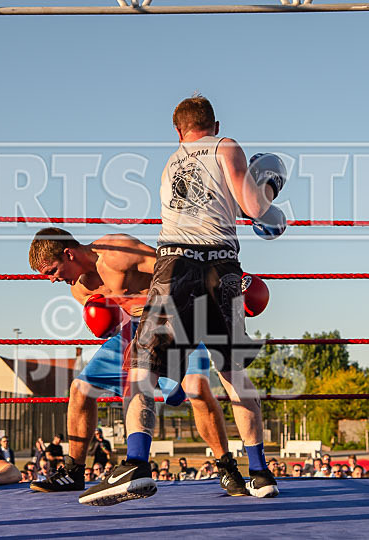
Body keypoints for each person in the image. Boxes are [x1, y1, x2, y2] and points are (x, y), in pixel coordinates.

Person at [79, 95, 288, 506]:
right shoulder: (226, 146)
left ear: (178, 131)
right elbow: (254, 208)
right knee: (232, 373)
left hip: (176, 266)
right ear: (215, 123)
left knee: (143, 370)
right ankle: (261, 473)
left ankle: (136, 465)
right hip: (223, 267)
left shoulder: (169, 163)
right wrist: (269, 198)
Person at [29, 225, 277, 500]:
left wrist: (228, 283)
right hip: (130, 333)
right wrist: (107, 323)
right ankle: (74, 471)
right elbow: (114, 319)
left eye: (51, 271)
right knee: (80, 388)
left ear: (68, 254)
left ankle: (226, 465)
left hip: (172, 317)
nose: (52, 280)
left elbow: (175, 271)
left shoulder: (116, 252)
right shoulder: (78, 290)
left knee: (197, 387)